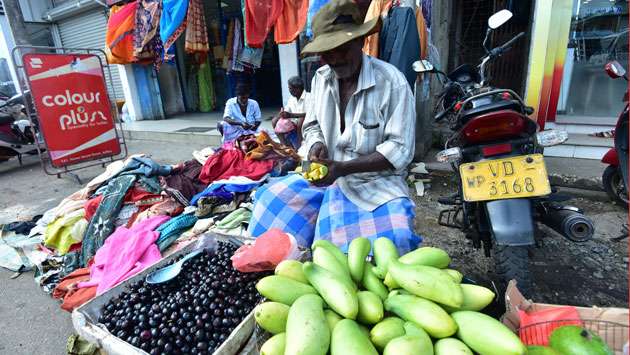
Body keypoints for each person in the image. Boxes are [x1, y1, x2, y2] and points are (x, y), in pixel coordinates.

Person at [248, 0, 420, 253]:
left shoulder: (392, 82)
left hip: (375, 182)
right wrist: (317, 144)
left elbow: (400, 150)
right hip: (325, 173)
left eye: (343, 48)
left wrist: (342, 168)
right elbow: (312, 125)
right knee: (267, 202)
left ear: (360, 42)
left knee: (389, 241)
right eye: (328, 51)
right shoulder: (320, 80)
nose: (336, 58)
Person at [272, 76, 310, 149]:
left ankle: (300, 147)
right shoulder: (292, 99)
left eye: (290, 88)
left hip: (305, 122)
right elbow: (287, 110)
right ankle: (286, 146)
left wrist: (291, 115)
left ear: (298, 89)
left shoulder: (309, 97)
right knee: (274, 120)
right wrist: (282, 113)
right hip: (293, 122)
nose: (289, 90)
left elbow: (309, 114)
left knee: (300, 121)